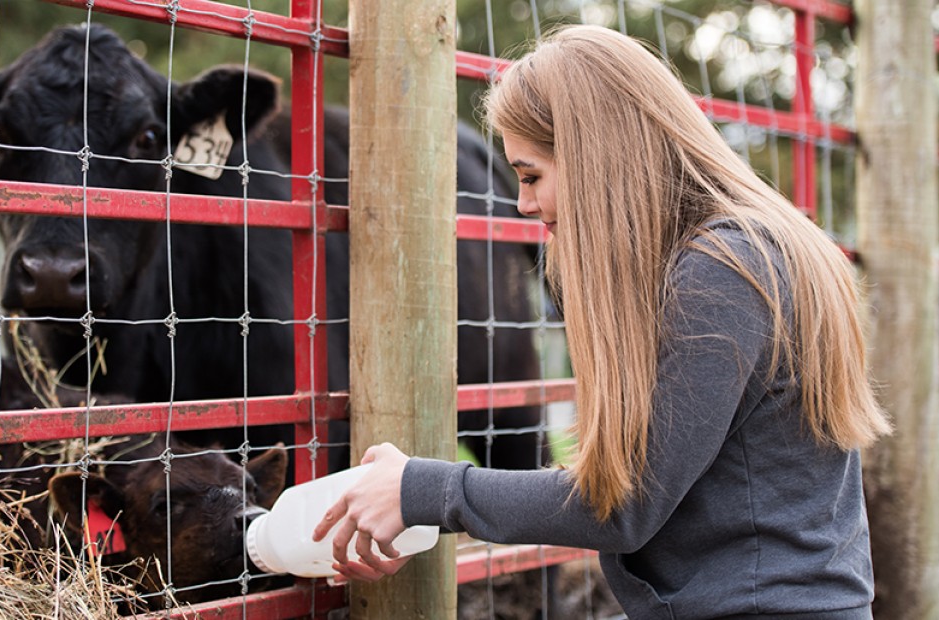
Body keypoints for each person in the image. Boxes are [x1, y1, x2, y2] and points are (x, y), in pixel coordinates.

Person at [312, 24, 891, 619]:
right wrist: (410, 510)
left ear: (596, 159)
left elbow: (626, 505)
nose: (523, 203)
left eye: (532, 174)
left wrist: (422, 492)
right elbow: (640, 480)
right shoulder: (746, 252)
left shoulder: (723, 273)